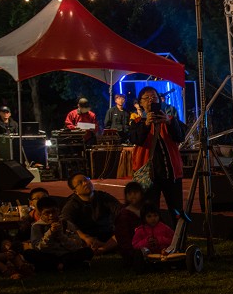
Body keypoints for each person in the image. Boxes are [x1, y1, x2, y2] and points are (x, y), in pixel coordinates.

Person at [128, 86, 187, 223]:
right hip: (149, 176)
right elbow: (136, 139)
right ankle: (153, 241)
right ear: (140, 103)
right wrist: (147, 124)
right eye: (146, 98)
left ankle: (179, 240)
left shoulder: (170, 119)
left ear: (159, 101)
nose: (150, 100)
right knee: (150, 211)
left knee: (177, 211)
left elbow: (180, 137)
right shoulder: (137, 122)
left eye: (153, 97)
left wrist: (169, 122)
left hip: (171, 174)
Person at [60, 172, 122, 255]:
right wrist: (85, 237)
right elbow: (66, 221)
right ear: (75, 191)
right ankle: (107, 247)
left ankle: (102, 249)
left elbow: (121, 211)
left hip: (107, 234)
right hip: (87, 237)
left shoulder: (103, 197)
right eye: (80, 183)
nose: (86, 183)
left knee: (124, 232)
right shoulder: (72, 204)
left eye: (87, 180)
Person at [28, 196, 94, 272]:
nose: (51, 215)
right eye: (47, 213)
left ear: (58, 211)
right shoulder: (37, 227)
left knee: (88, 251)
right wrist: (50, 233)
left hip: (66, 254)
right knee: (29, 253)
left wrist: (61, 236)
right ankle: (68, 266)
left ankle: (54, 267)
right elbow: (38, 248)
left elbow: (76, 245)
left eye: (53, 212)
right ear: (40, 214)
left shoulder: (66, 224)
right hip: (49, 255)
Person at [114, 180, 146, 265]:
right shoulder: (124, 215)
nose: (133, 196)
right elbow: (123, 237)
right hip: (133, 249)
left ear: (141, 194)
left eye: (135, 192)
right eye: (129, 193)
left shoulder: (147, 210)